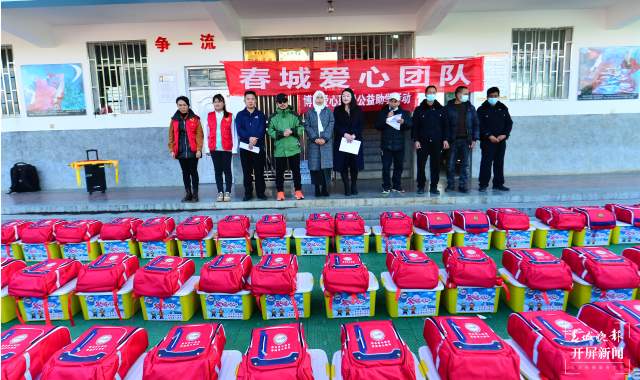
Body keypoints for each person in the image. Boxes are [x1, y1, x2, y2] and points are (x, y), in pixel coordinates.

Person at [412, 85, 449, 195]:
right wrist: (416, 140)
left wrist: (445, 139)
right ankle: (421, 186)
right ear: (426, 94)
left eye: (433, 92)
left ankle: (434, 187)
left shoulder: (441, 109)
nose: (431, 94)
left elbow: (446, 126)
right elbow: (415, 127)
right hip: (422, 142)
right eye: (429, 92)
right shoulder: (419, 110)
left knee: (436, 165)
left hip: (437, 142)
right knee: (421, 165)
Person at [267, 93, 305, 201]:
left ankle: (298, 191)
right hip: (280, 149)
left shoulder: (294, 114)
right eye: (280, 102)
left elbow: (301, 128)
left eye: (284, 101)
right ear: (277, 103)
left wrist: (292, 131)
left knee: (296, 171)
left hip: (293, 148)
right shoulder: (273, 117)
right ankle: (280, 192)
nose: (282, 104)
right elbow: (270, 130)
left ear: (287, 102)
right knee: (279, 173)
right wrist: (281, 134)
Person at [168, 96, 203, 202]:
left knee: (193, 172)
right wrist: (172, 150)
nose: (182, 107)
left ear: (188, 106)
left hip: (193, 150)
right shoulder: (174, 120)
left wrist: (199, 149)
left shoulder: (195, 119)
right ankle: (188, 193)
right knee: (185, 173)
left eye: (184, 105)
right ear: (177, 106)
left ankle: (195, 194)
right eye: (180, 105)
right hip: (180, 150)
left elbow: (199, 135)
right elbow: (171, 135)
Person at [477, 87, 513, 192]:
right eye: (491, 96)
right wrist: (489, 135)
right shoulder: (481, 109)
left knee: (499, 162)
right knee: (486, 162)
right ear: (487, 97)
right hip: (487, 141)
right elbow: (480, 125)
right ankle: (483, 184)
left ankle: (498, 184)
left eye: (495, 96)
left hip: (501, 141)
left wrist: (505, 135)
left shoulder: (503, 108)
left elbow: (509, 123)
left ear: (498, 96)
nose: (493, 98)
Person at [375, 93, 412, 194]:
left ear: (399, 102)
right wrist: (386, 118)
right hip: (386, 144)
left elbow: (410, 125)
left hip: (399, 144)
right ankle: (386, 186)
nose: (393, 103)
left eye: (395, 101)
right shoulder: (383, 112)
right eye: (391, 100)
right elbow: (377, 126)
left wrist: (404, 122)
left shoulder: (404, 112)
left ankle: (397, 186)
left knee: (398, 166)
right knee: (386, 167)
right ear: (388, 101)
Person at [444, 86, 479, 193]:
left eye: (467, 94)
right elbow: (445, 125)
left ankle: (463, 185)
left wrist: (474, 139)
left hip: (466, 140)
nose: (466, 96)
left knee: (465, 164)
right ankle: (450, 185)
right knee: (450, 164)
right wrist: (445, 139)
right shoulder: (448, 108)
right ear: (457, 94)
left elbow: (476, 124)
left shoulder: (470, 108)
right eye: (464, 93)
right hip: (452, 140)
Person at [235, 90, 268, 201]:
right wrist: (249, 138)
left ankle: (260, 193)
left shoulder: (260, 114)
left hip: (258, 147)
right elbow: (239, 130)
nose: (250, 101)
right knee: (247, 172)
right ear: (244, 100)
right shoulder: (240, 115)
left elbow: (262, 129)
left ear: (255, 100)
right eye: (248, 99)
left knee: (259, 171)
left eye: (252, 99)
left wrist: (255, 139)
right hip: (245, 147)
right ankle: (248, 193)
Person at [206, 94, 238, 202]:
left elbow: (234, 132)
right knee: (218, 171)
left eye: (219, 101)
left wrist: (234, 148)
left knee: (227, 170)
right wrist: (207, 148)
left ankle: (227, 191)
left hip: (227, 148)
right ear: (213, 103)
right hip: (214, 148)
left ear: (223, 103)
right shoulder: (209, 116)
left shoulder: (229, 116)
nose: (217, 103)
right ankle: (220, 191)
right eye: (215, 101)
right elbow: (207, 132)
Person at [333, 88, 364, 196]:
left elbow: (361, 125)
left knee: (354, 165)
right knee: (343, 165)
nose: (345, 98)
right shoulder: (337, 110)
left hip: (355, 141)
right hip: (342, 141)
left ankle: (353, 185)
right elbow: (335, 125)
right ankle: (346, 186)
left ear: (352, 97)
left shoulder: (358, 110)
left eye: (347, 96)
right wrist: (344, 134)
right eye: (343, 96)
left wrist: (354, 135)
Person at [304, 90, 334, 197]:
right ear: (314, 99)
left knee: (326, 167)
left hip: (326, 143)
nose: (319, 100)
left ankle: (325, 188)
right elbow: (307, 126)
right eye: (317, 97)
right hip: (314, 143)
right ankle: (317, 188)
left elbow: (331, 124)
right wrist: (315, 138)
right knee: (315, 167)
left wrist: (325, 138)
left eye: (321, 97)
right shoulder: (309, 112)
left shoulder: (328, 111)